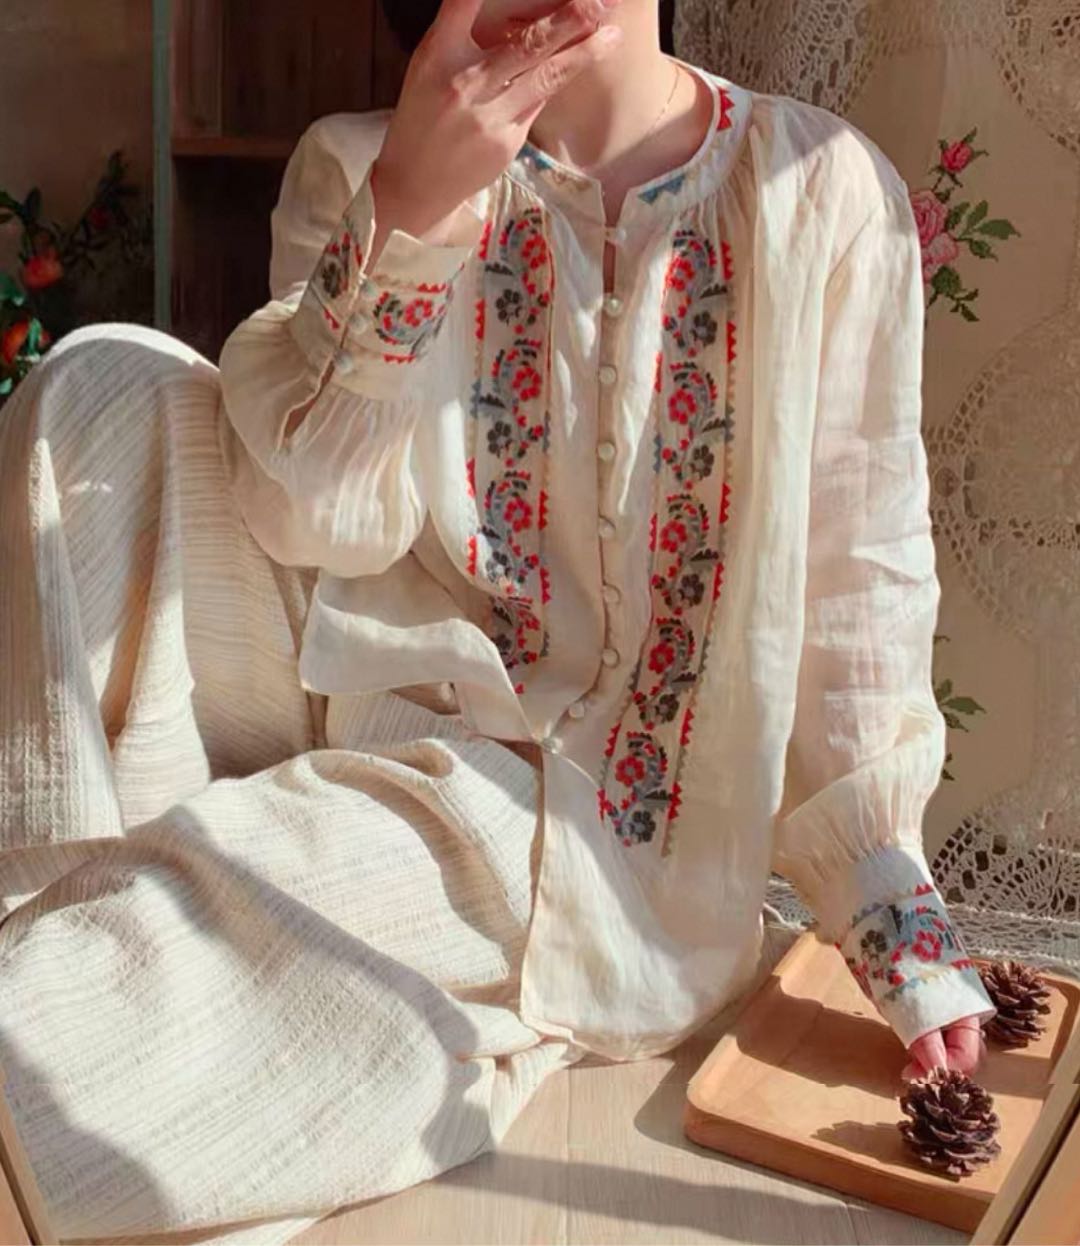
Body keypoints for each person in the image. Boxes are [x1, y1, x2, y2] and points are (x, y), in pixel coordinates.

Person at [0, 0, 995, 1241]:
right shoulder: (360, 162)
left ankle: (68, 1026)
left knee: (261, 885)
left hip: (578, 808)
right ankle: (45, 912)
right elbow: (313, 523)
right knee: (97, 386)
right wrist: (413, 214)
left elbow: (859, 573)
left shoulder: (822, 190)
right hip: (341, 675)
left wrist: (893, 912)